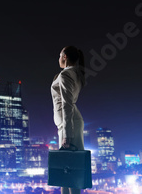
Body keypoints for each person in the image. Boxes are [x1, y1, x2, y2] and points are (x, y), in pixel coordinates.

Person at [51, 46, 87, 194]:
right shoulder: (75, 73)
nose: (58, 58)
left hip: (69, 124)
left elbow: (66, 104)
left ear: (64, 57)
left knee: (72, 170)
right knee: (66, 170)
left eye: (59, 55)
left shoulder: (66, 74)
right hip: (69, 123)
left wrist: (67, 134)